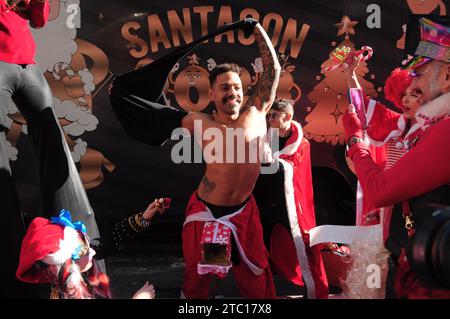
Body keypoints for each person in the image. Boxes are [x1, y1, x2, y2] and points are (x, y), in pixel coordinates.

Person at [109, 19, 281, 298]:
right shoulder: (198, 122)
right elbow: (152, 114)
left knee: (255, 275)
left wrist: (258, 30)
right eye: (224, 87)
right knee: (204, 278)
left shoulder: (257, 112)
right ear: (212, 94)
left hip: (243, 214)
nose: (232, 92)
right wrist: (120, 95)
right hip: (209, 215)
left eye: (236, 87)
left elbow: (273, 71)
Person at [342, 17, 450, 298]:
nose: (414, 83)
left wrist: (355, 140)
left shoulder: (445, 127)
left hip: (429, 276)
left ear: (448, 78)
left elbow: (380, 191)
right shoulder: (428, 125)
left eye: (421, 75)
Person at [0, 0, 100, 298]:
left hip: (25, 65)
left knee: (53, 142)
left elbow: (39, 19)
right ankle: (8, 262)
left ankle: (74, 243)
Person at [16, 198, 169, 299]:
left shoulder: (83, 265)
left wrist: (144, 217)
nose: (94, 251)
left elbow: (112, 239)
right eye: (87, 251)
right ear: (70, 263)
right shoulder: (63, 295)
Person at [253, 99, 329, 299]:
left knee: (304, 247)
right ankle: (263, 295)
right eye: (269, 116)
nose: (270, 119)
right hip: (264, 201)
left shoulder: (301, 144)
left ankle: (316, 293)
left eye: (274, 115)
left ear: (287, 117)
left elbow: (294, 172)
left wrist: (270, 160)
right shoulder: (263, 137)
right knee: (259, 249)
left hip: (290, 205)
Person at [345, 57, 424, 232]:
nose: (405, 100)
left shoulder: (432, 129)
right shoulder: (394, 122)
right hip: (390, 202)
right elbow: (362, 106)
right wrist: (350, 73)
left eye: (413, 95)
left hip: (416, 208)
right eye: (403, 94)